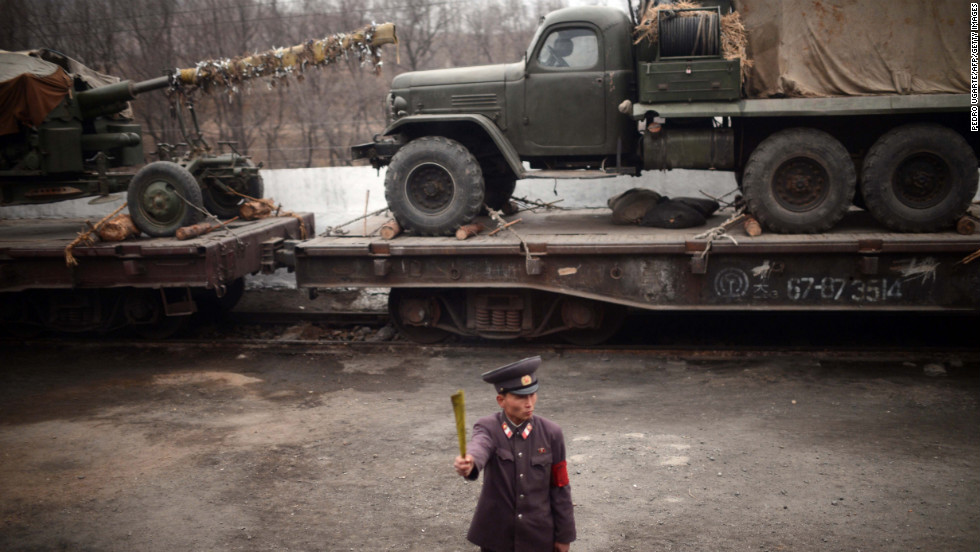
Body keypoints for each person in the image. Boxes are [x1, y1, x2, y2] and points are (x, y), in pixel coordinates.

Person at [453, 356, 576, 552]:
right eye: (520, 397)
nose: (529, 403)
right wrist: (470, 462)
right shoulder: (488, 427)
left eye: (532, 394)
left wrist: (565, 536)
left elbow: (560, 486)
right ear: (501, 400)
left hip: (539, 536)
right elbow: (480, 446)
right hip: (498, 538)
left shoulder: (552, 433)